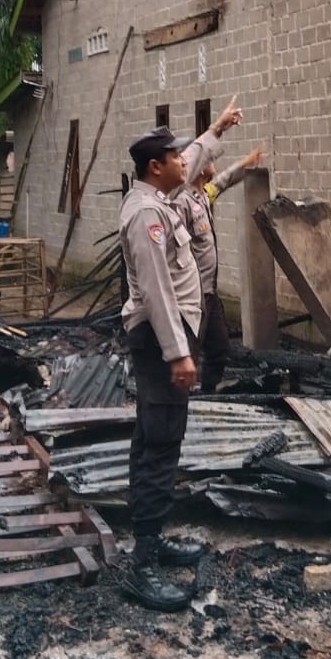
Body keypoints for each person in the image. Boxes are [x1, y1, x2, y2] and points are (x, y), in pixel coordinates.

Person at [113, 126, 208, 611]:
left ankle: (149, 540)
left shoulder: (158, 202)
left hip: (162, 337)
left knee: (152, 438)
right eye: (175, 156)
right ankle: (142, 567)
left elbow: (196, 155)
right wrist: (178, 353)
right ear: (156, 166)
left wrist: (219, 131)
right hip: (159, 339)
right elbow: (156, 291)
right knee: (161, 445)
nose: (183, 161)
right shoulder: (147, 214)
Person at [178, 122, 266, 391]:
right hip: (193, 297)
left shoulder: (203, 196)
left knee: (219, 348)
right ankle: (182, 401)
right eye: (207, 158)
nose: (212, 161)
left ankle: (206, 392)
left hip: (210, 294)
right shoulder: (182, 202)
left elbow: (223, 181)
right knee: (188, 353)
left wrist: (246, 163)